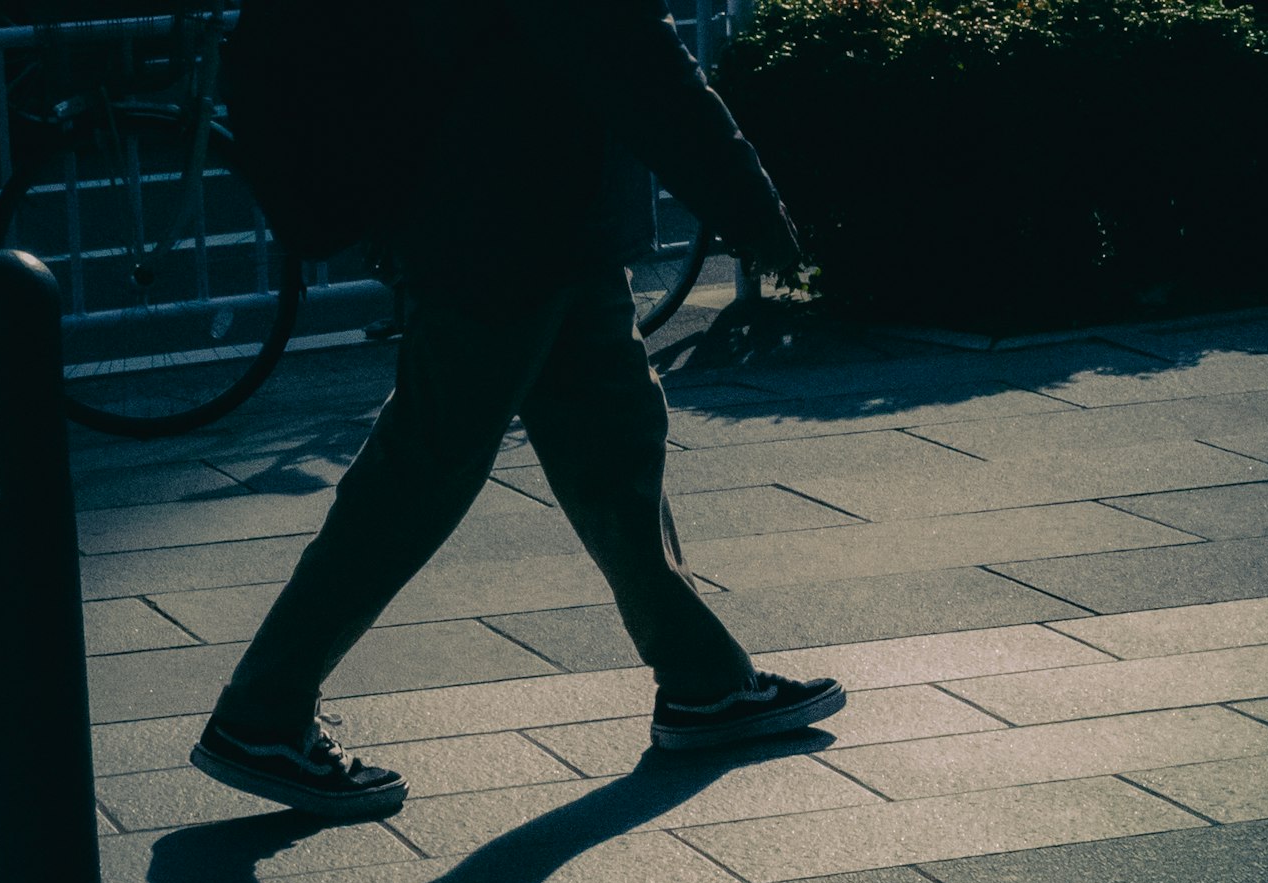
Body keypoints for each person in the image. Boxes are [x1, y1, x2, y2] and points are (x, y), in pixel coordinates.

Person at [190, 0, 845, 821]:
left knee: (612, 446)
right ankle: (264, 708)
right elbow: (635, 55)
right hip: (511, 215)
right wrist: (753, 208)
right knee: (429, 462)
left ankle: (703, 680)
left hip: (512, 209)